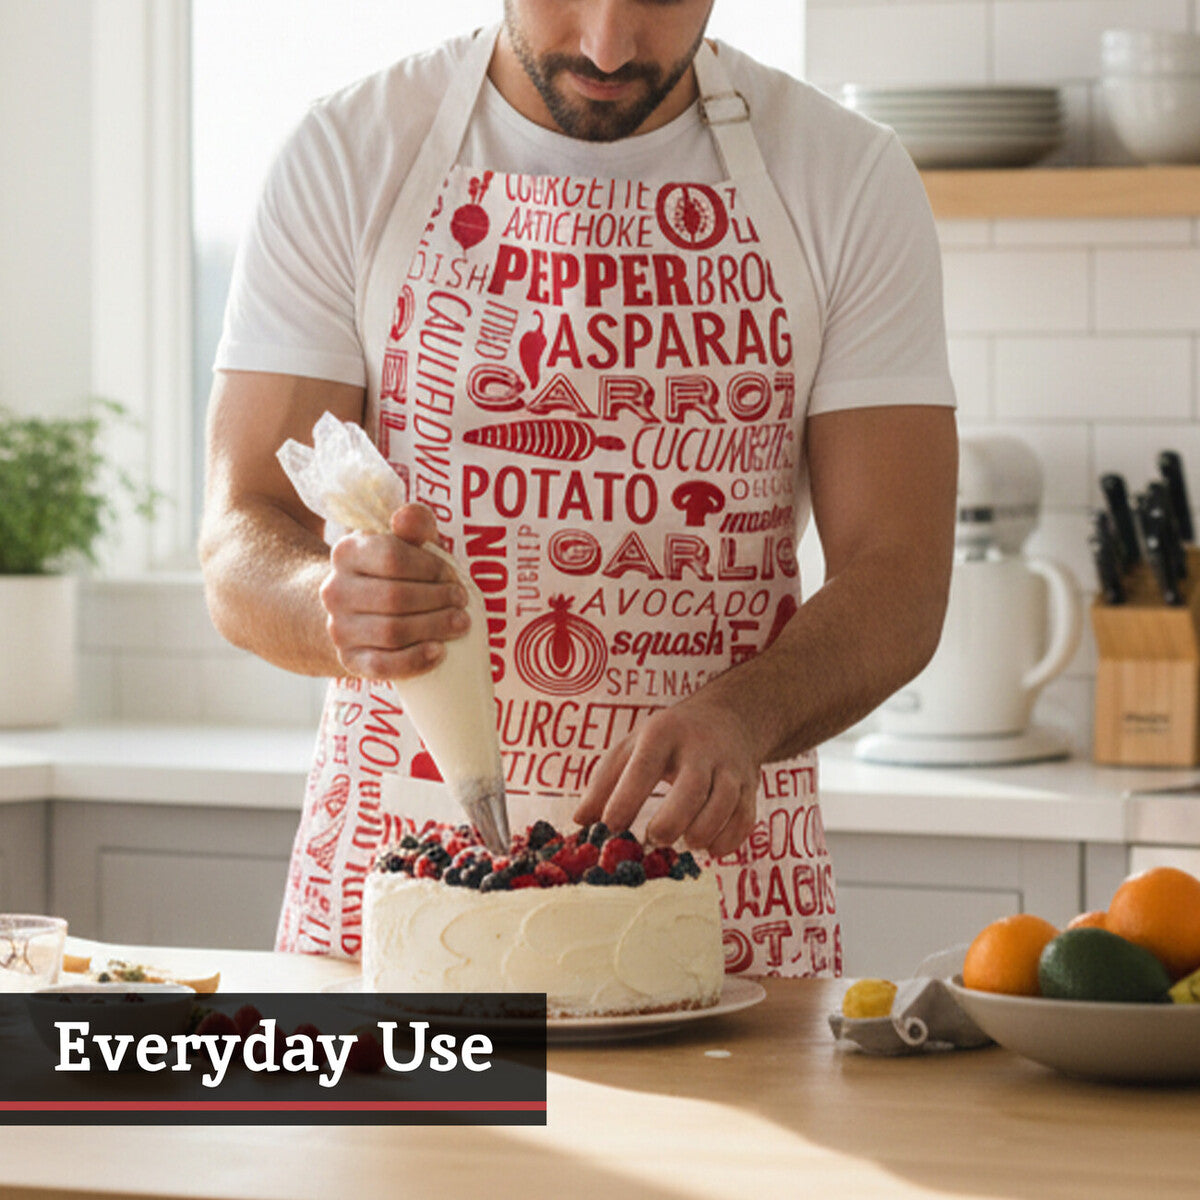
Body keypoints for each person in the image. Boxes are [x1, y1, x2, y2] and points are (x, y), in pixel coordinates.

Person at [200, 0, 958, 976]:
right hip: (398, 922)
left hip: (714, 919)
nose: (608, 45)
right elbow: (238, 532)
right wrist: (326, 603)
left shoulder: (844, 177)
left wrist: (747, 713)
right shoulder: (349, 153)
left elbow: (900, 572)